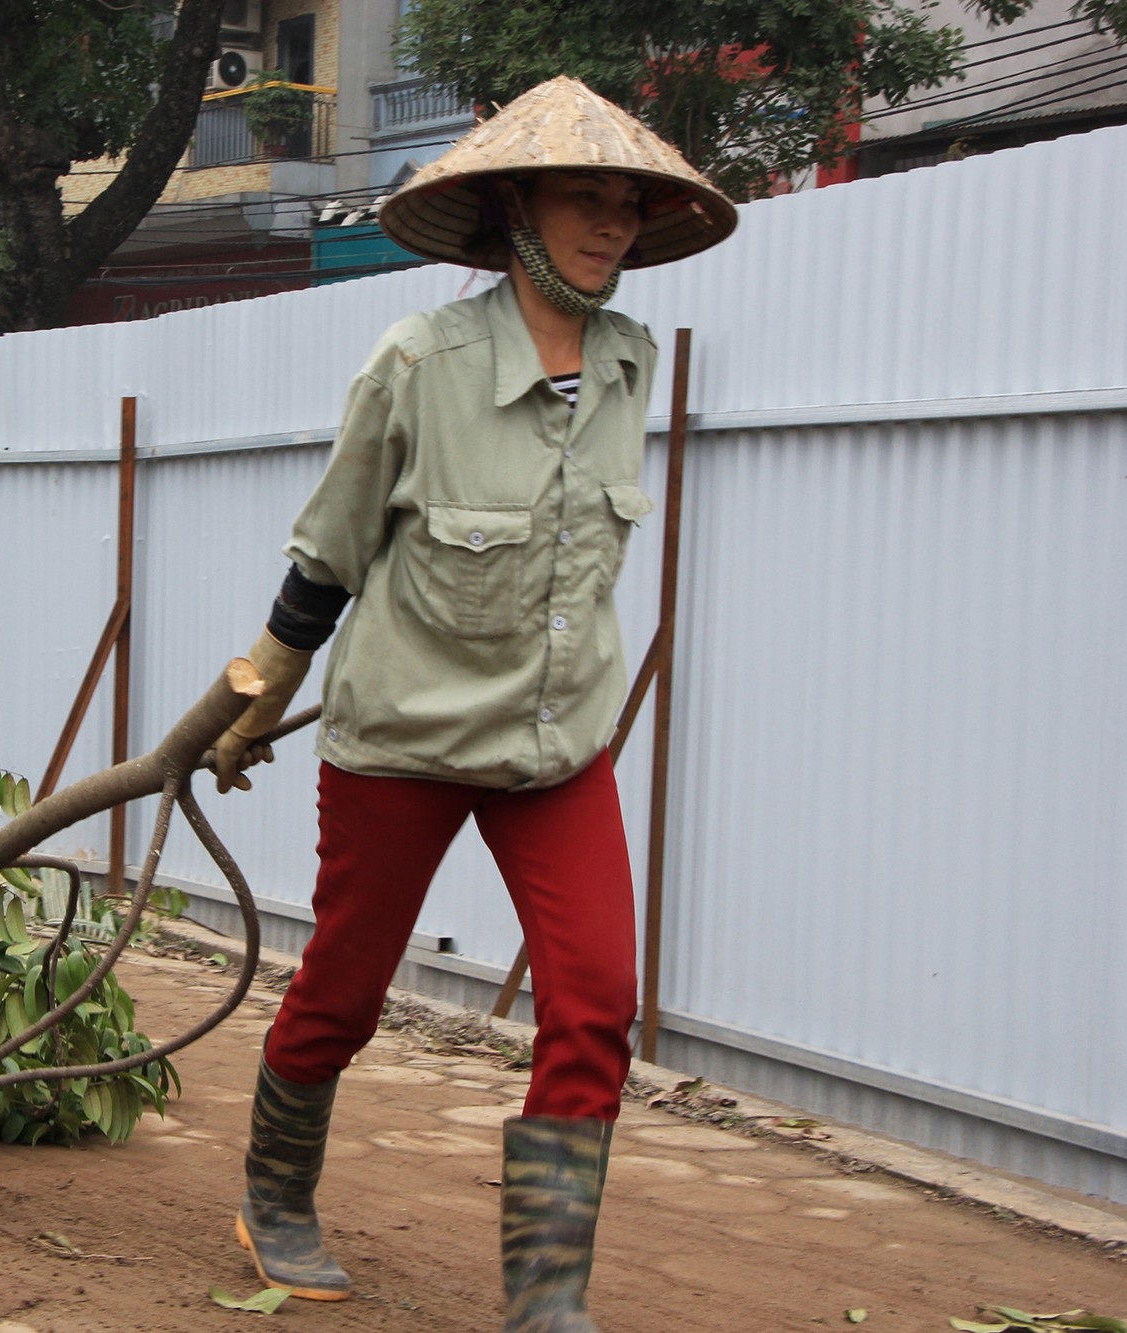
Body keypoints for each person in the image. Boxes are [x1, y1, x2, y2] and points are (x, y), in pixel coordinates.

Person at [211, 77, 737, 1329]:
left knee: (596, 997)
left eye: (625, 205)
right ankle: (274, 1193)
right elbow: (329, 553)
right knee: (342, 984)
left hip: (558, 745)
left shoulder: (627, 360)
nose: (610, 225)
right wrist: (255, 693)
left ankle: (545, 1297)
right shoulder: (418, 362)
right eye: (582, 200)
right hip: (402, 738)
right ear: (513, 207)